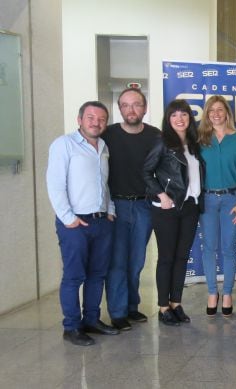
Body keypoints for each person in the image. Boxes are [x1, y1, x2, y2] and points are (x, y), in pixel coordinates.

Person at [47, 101, 119, 346]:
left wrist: (109, 210)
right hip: (75, 223)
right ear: (79, 120)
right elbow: (55, 185)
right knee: (74, 276)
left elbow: (104, 183)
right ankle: (72, 327)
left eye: (101, 119)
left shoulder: (103, 147)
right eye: (90, 117)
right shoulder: (63, 145)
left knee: (97, 274)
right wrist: (68, 218)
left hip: (101, 221)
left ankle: (92, 320)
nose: (96, 122)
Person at [101, 88, 160, 331]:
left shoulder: (156, 136)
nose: (131, 110)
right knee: (117, 261)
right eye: (125, 105)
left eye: (136, 105)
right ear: (119, 108)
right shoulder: (108, 134)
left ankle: (131, 307)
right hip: (116, 205)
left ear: (145, 108)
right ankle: (117, 312)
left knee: (136, 261)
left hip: (145, 205)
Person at [143, 99, 204, 326]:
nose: (180, 119)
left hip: (190, 206)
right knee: (167, 258)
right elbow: (146, 173)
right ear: (168, 119)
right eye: (174, 115)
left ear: (190, 118)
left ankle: (176, 303)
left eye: (184, 115)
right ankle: (163, 307)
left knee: (182, 257)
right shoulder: (162, 143)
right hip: (167, 208)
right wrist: (162, 196)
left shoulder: (194, 144)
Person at [198, 95, 236, 317]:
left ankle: (227, 293)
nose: (216, 114)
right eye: (212, 110)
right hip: (207, 200)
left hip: (231, 199)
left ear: (227, 113)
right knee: (209, 248)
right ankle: (213, 292)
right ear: (207, 114)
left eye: (220, 110)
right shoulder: (200, 139)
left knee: (228, 248)